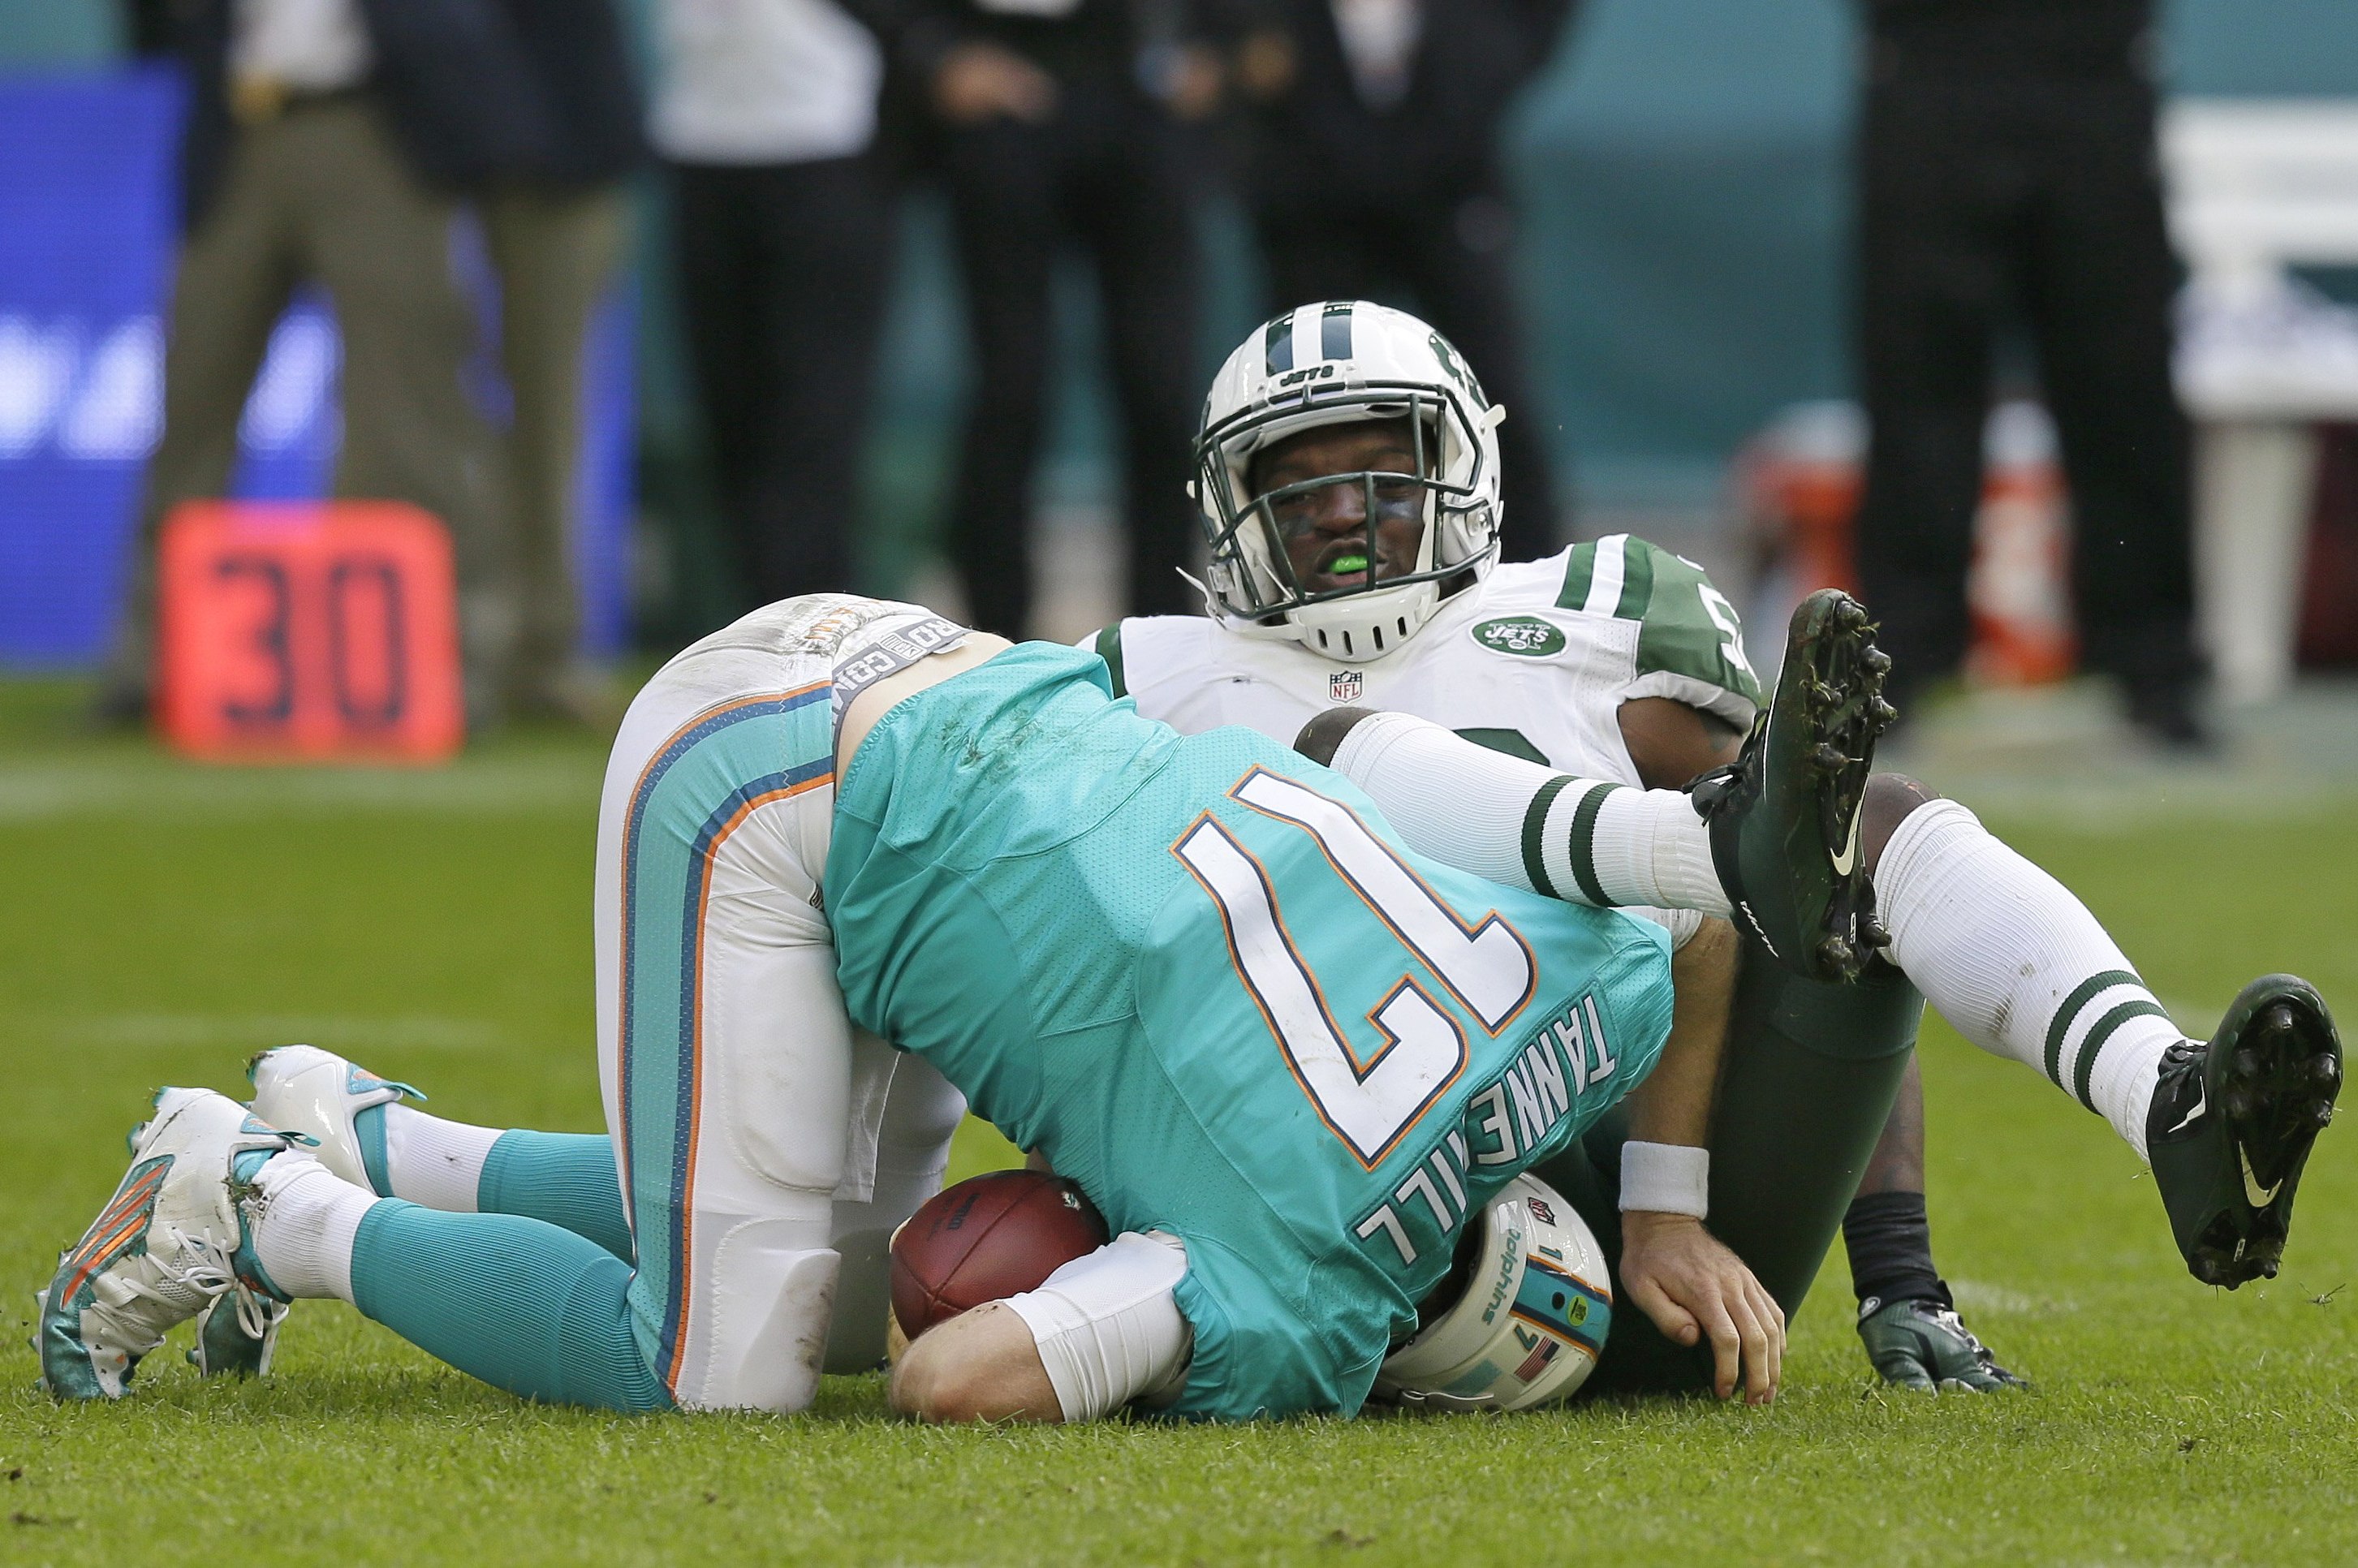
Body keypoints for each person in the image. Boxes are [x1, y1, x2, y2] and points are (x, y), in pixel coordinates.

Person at [39, 585, 1910, 1418]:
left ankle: (384, 1136)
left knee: (846, 1267)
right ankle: (261, 1202)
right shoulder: (1301, 1295)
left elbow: (1699, 938)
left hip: (949, 685)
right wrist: (1196, 1353)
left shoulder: (1566, 1001)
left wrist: (1657, 1210)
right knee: (731, 1369)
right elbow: (959, 1384)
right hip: (786, 789)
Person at [1085, 302, 2344, 1392]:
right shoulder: (1142, 681)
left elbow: (1812, 878)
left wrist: (1898, 1275)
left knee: (1863, 826)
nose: (1345, 516)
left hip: (1640, 1203)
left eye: (1383, 472)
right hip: (1332, 1216)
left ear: (1461, 466)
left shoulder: (1588, 615)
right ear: (1229, 504)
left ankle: (2167, 1099)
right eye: (1297, 486)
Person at [97, 0, 511, 724]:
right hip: (240, 123)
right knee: (192, 399)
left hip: (377, 120)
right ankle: (152, 663)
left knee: (408, 418)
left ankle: (441, 662)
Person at [1851, 0, 2204, 744]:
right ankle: (1893, 667)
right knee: (1917, 390)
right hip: (1928, 72)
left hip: (2092, 74)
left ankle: (2154, 665)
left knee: (2121, 388)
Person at [861, 0, 1227, 637]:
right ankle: (997, 647)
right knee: (1011, 388)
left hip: (1142, 77)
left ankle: (1167, 638)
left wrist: (1219, 41)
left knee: (1160, 387)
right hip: (1003, 77)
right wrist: (935, 50)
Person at [1229, 0, 1575, 561]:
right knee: (1298, 398)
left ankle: (1528, 577)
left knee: (1493, 393)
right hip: (1311, 189)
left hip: (1451, 175)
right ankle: (1287, 571)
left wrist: (1487, 62)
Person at [651, 0, 898, 627]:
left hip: (826, 144)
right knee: (730, 414)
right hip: (701, 149)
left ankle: (820, 632)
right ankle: (749, 631)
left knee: (817, 416)